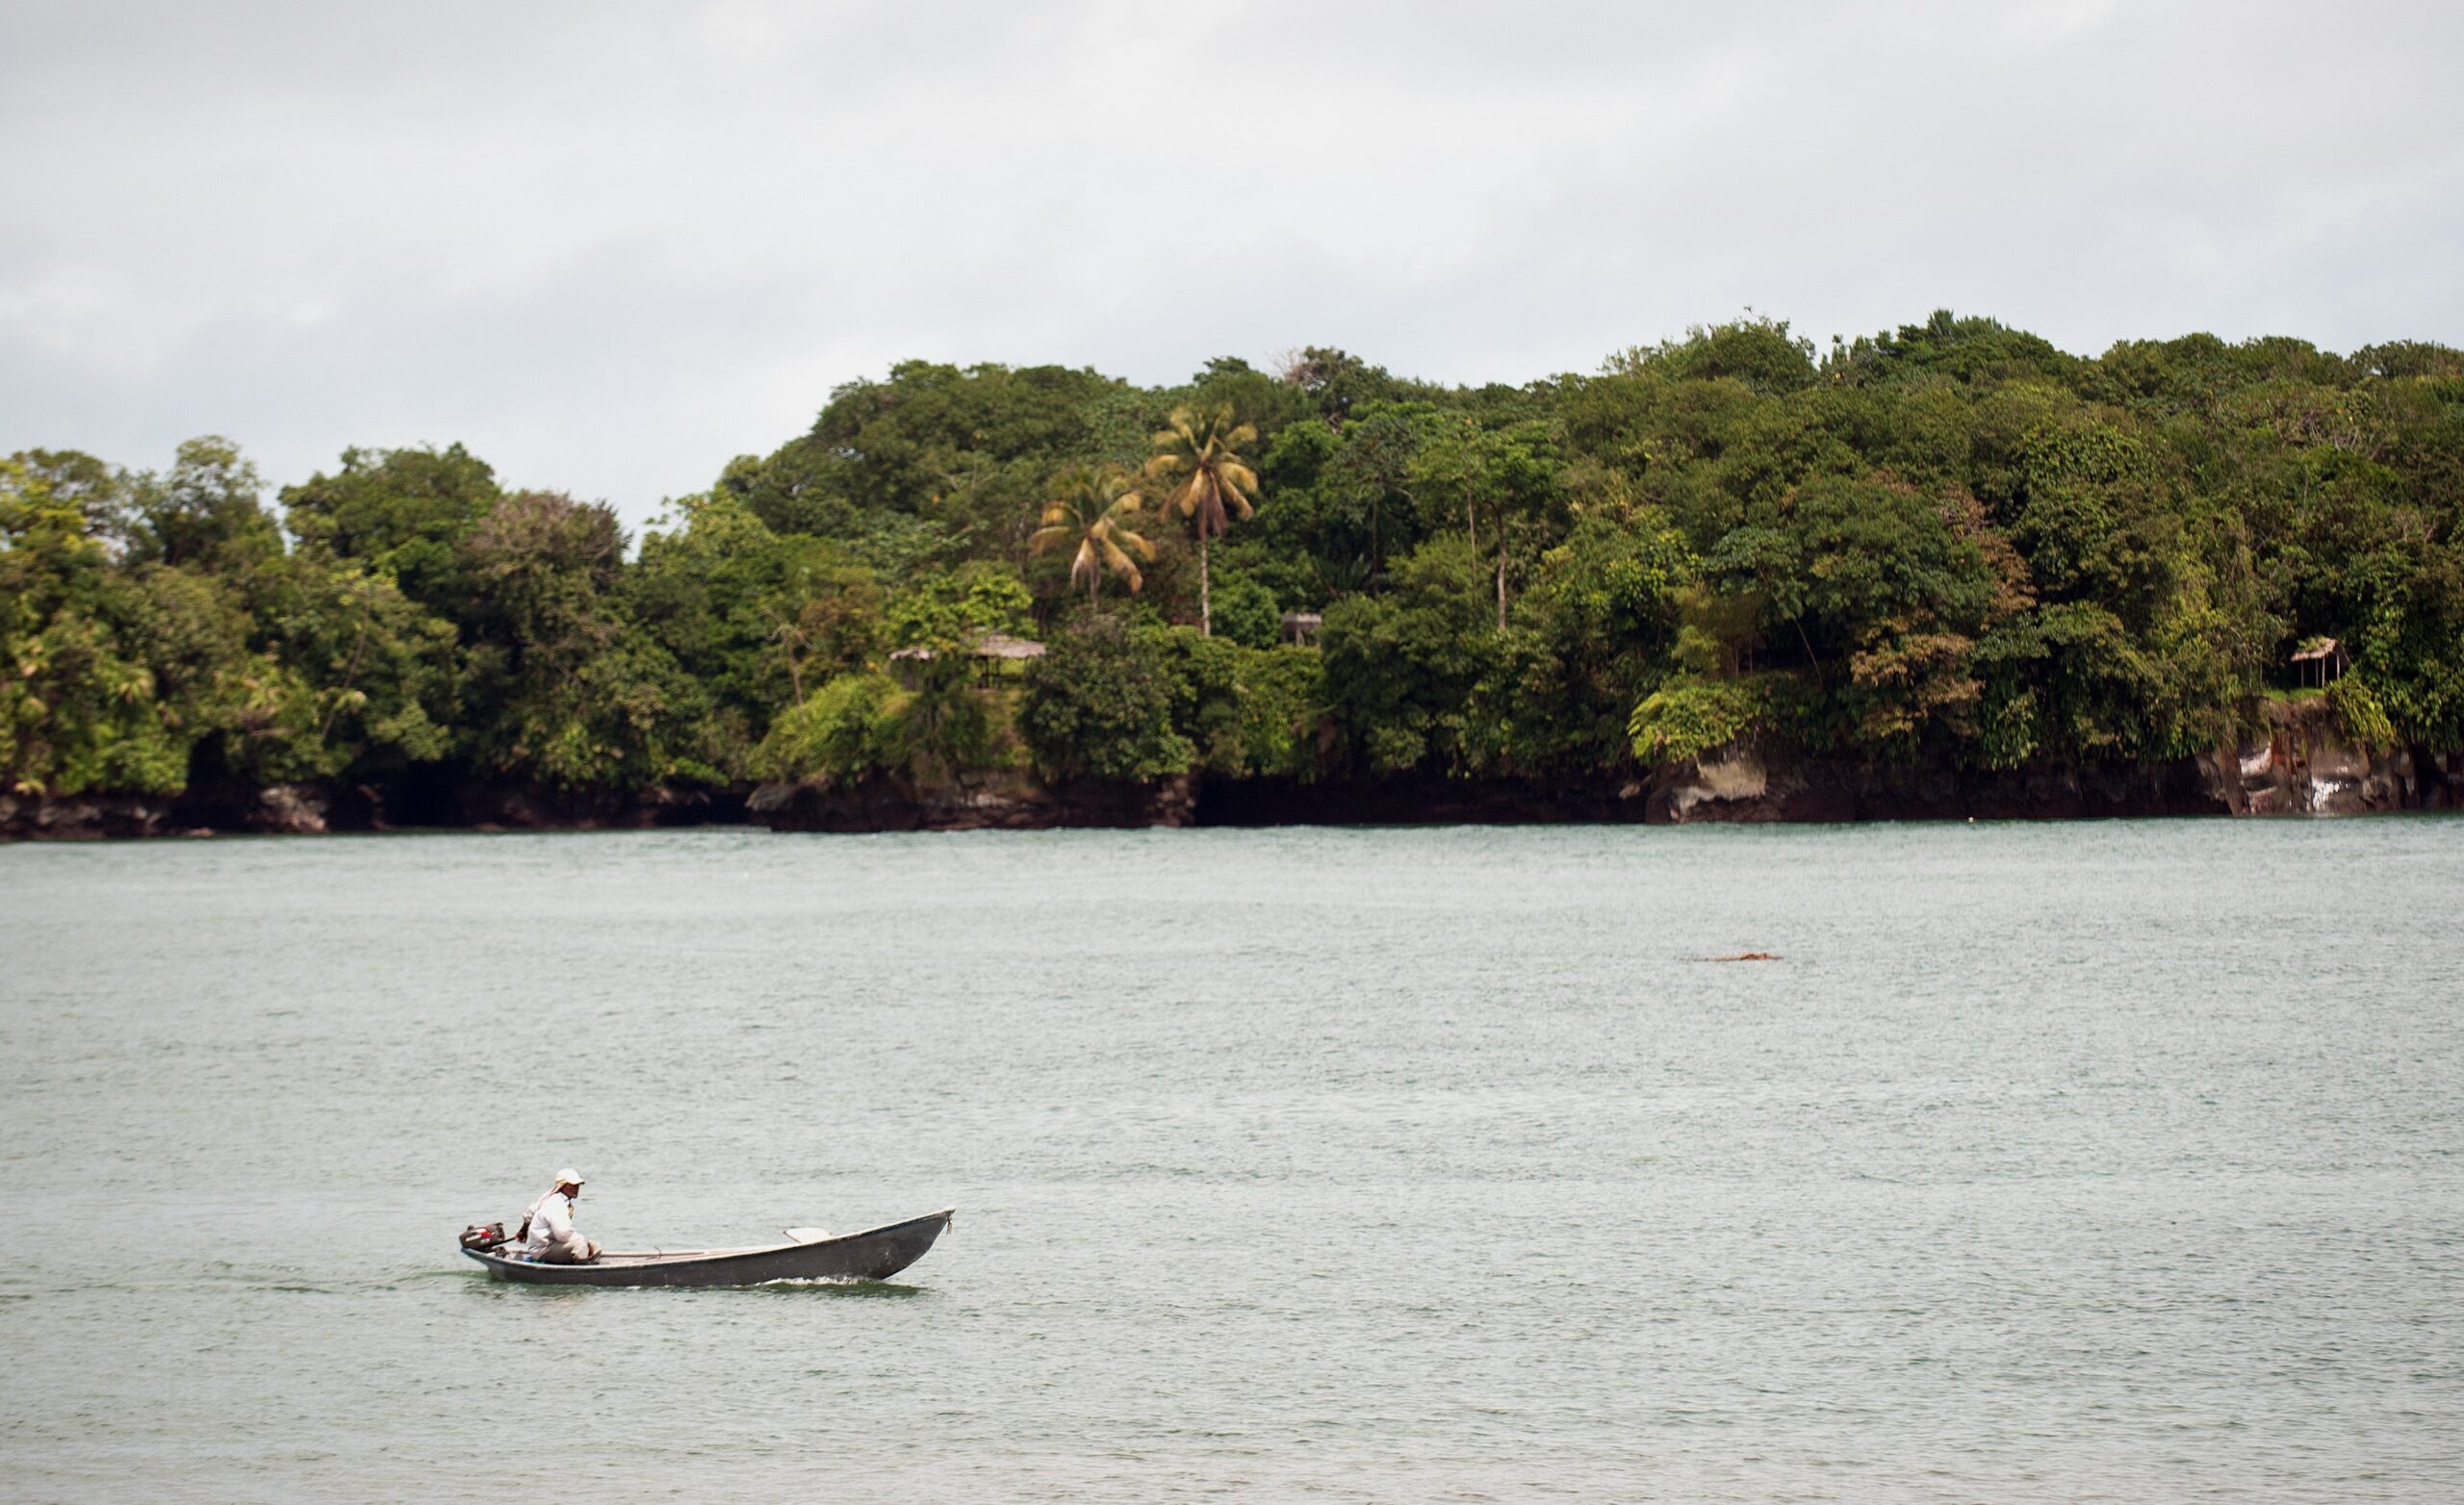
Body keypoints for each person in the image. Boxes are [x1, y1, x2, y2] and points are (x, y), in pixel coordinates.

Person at [516, 1168, 601, 1263]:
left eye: (577, 1185)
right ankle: (580, 1274)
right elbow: (563, 1234)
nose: (576, 1188)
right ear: (562, 1186)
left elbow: (531, 1211)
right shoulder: (556, 1203)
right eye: (572, 1185)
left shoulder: (552, 1197)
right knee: (580, 1245)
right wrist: (584, 1240)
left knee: (595, 1246)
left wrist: (523, 1230)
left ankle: (586, 1267)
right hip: (543, 1249)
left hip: (554, 1243)